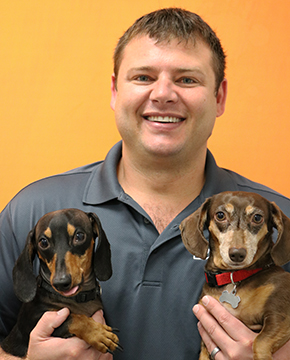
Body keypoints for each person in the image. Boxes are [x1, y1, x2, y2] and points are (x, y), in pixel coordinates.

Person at [0, 7, 290, 360]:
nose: (163, 94)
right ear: (114, 90)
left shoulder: (279, 220)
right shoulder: (30, 210)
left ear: (219, 97)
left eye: (187, 79)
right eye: (143, 77)